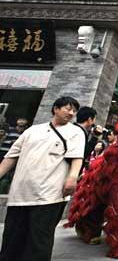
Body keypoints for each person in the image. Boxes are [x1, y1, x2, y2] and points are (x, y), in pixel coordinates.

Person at [0, 96, 85, 261]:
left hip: (49, 196)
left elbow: (77, 158)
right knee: (11, 242)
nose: (71, 113)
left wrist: (72, 177)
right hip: (19, 196)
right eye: (68, 108)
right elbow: (10, 158)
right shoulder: (32, 131)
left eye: (74, 110)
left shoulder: (75, 132)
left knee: (39, 242)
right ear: (55, 108)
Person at [75, 106, 101, 170]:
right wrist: (95, 137)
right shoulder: (80, 133)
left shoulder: (73, 128)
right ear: (89, 120)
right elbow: (84, 153)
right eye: (94, 121)